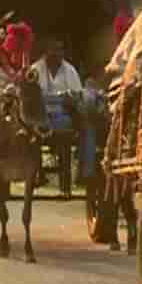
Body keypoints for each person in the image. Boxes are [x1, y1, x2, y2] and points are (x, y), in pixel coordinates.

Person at [31, 39, 96, 184]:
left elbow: (78, 96)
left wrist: (66, 98)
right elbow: (31, 97)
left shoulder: (69, 70)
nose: (56, 54)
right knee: (33, 126)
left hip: (62, 117)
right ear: (45, 52)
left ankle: (79, 175)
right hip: (41, 117)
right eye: (52, 50)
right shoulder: (35, 70)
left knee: (70, 122)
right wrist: (56, 98)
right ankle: (37, 175)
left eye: (59, 50)